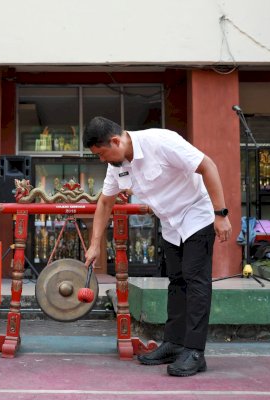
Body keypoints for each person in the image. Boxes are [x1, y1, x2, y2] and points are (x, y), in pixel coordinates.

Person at [83, 116, 232, 377]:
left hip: (197, 213)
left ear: (116, 141)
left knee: (196, 281)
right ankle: (174, 344)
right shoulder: (117, 166)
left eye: (101, 153)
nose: (101, 160)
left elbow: (208, 166)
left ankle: (195, 351)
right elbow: (105, 203)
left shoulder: (161, 141)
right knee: (176, 281)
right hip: (171, 223)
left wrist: (220, 214)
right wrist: (94, 245)